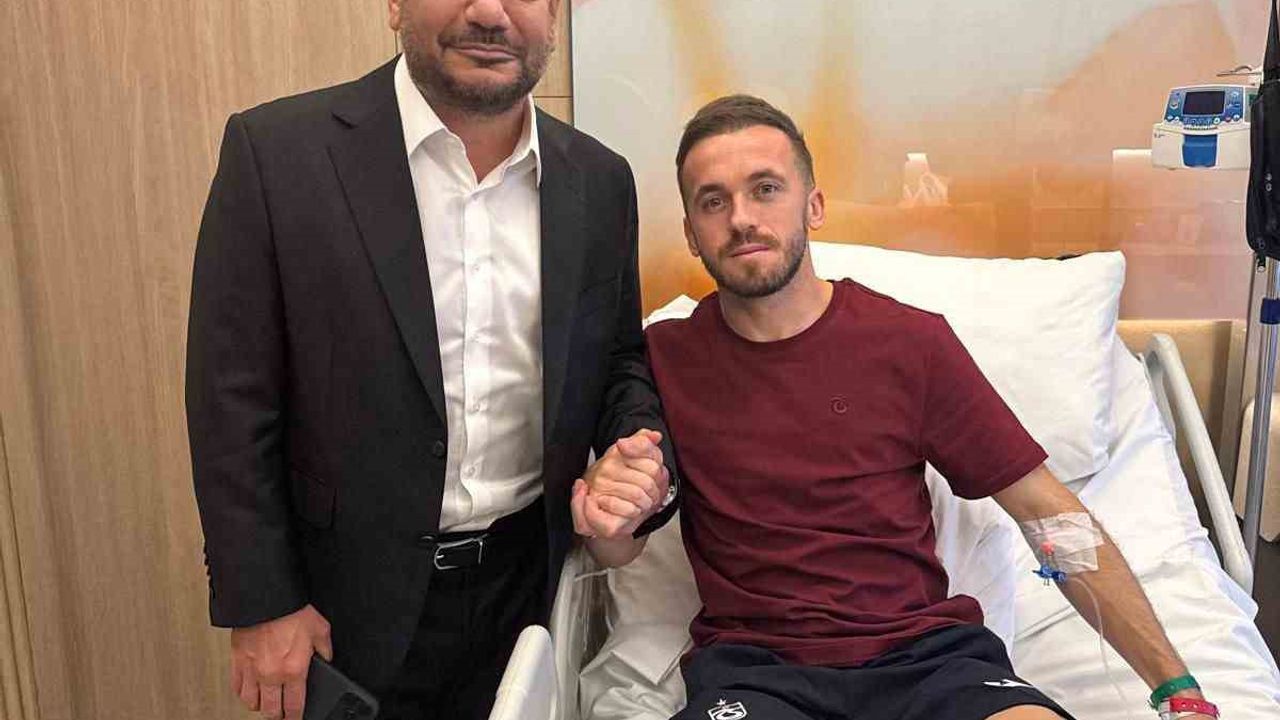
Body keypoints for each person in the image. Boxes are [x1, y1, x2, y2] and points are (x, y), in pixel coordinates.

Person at [573, 95, 1218, 720]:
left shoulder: (909, 344)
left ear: (813, 205)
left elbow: (1049, 515)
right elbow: (622, 551)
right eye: (714, 201)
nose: (742, 218)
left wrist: (1179, 690)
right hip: (756, 674)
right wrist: (607, 520)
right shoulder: (665, 357)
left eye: (766, 189)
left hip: (927, 662)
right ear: (691, 233)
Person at [185, 1, 678, 718]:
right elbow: (230, 398)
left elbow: (617, 358)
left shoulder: (599, 180)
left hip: (527, 592)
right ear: (394, 5)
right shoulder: (279, 153)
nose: (489, 12)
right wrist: (262, 601)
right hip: (342, 607)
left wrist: (637, 454)